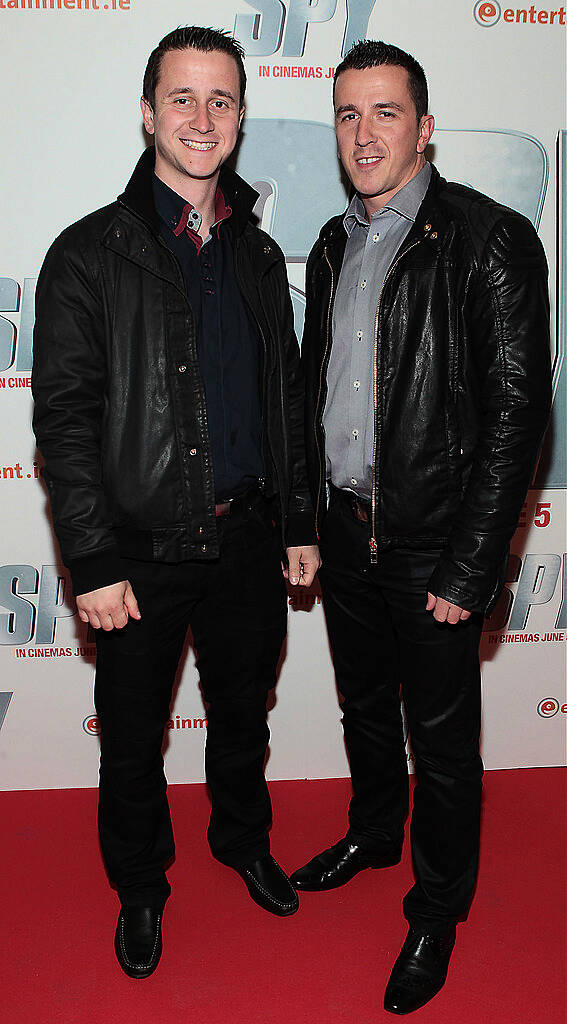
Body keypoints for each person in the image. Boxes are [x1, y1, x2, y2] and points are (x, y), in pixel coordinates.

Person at [32, 25, 320, 979]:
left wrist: (300, 524)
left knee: (244, 715)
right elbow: (66, 422)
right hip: (139, 552)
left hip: (247, 541)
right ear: (148, 112)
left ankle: (241, 842)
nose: (203, 119)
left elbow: (284, 394)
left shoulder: (258, 250)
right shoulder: (87, 254)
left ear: (241, 118)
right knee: (132, 739)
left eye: (222, 100)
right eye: (184, 99)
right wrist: (93, 559)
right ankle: (142, 887)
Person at [293, 40, 552, 1015]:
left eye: (386, 113)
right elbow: (319, 391)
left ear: (425, 126)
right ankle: (372, 829)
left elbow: (520, 414)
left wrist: (473, 562)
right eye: (349, 115)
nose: (366, 134)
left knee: (442, 742)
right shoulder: (329, 243)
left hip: (435, 543)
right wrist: (305, 516)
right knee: (366, 705)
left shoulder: (488, 242)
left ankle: (439, 906)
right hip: (344, 528)